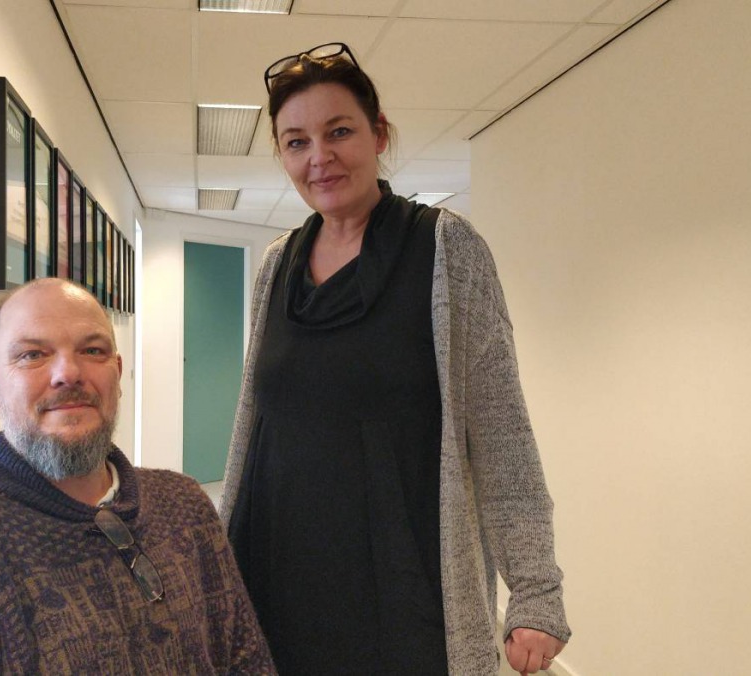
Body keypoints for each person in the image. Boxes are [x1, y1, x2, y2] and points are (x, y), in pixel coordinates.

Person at [218, 43, 570, 676]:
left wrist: (535, 591)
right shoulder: (276, 266)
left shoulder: (444, 249)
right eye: (296, 142)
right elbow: (254, 421)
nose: (318, 158)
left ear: (380, 135)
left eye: (339, 132)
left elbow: (500, 432)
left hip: (400, 588)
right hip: (272, 572)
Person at [0, 278, 274, 674]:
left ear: (118, 371)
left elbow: (246, 658)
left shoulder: (184, 505)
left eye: (92, 351)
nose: (68, 373)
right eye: (33, 355)